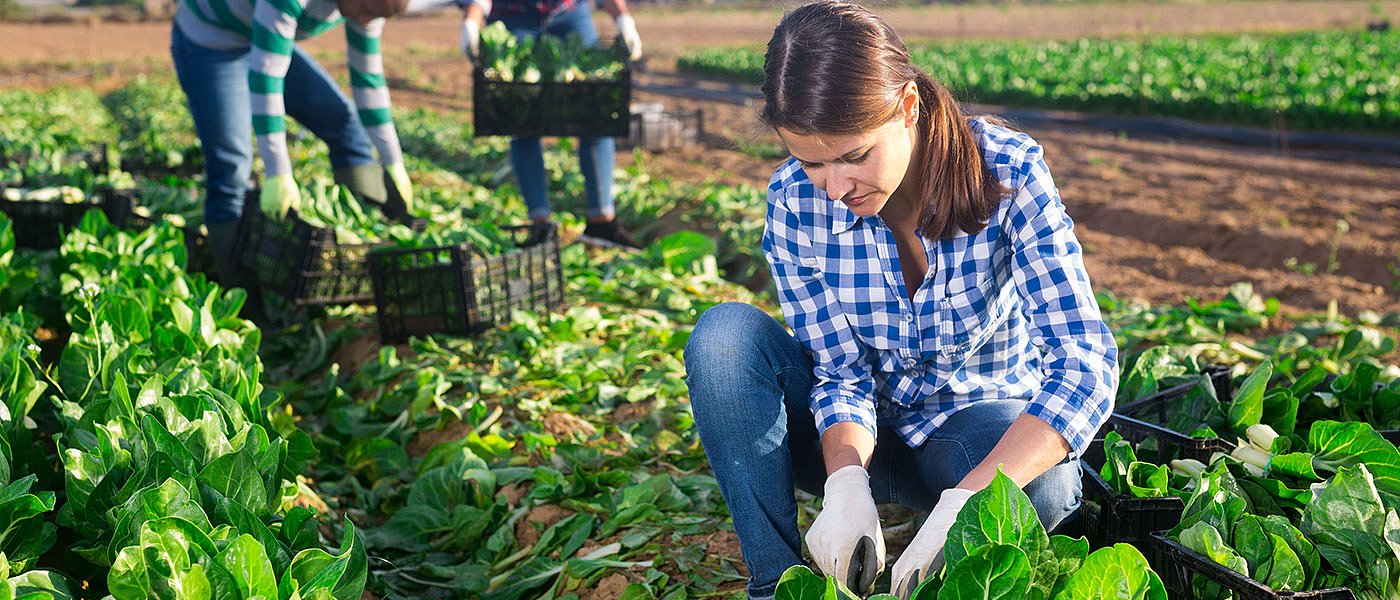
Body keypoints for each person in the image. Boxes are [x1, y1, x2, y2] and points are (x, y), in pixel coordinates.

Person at [683, 2, 1119, 598]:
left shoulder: (1007, 173)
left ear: (908, 107)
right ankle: (776, 584)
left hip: (967, 437)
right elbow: (839, 371)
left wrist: (969, 503)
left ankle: (945, 524)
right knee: (723, 340)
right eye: (813, 162)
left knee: (1044, 489)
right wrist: (845, 487)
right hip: (856, 439)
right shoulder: (794, 202)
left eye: (855, 156)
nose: (837, 188)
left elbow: (1083, 363)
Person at [171, 0, 416, 318]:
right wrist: (278, 172)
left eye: (376, 17)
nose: (367, 20)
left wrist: (393, 161)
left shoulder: (369, 6)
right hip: (212, 41)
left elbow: (368, 80)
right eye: (365, 11)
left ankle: (356, 263)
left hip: (260, 38)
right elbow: (266, 79)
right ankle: (248, 315)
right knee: (232, 167)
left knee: (345, 124)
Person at [458, 0, 643, 249]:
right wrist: (472, 19)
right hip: (514, 17)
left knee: (596, 112)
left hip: (567, 13)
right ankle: (540, 224)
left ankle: (601, 221)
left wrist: (623, 18)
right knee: (522, 118)